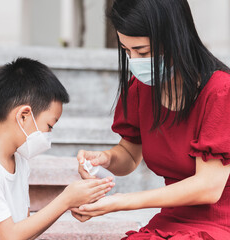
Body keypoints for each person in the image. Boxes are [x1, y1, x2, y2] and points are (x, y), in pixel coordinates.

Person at [71, 0, 230, 239]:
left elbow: (208, 187)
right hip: (173, 220)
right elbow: (129, 155)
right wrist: (106, 158)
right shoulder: (141, 89)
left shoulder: (220, 92)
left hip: (220, 223)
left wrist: (121, 202)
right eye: (127, 51)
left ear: (175, 38)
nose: (134, 61)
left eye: (143, 52)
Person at [0, 57, 114, 240]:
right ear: (24, 116)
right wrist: (65, 199)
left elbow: (25, 231)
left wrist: (72, 201)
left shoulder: (19, 161)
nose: (49, 134)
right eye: (49, 126)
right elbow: (9, 236)